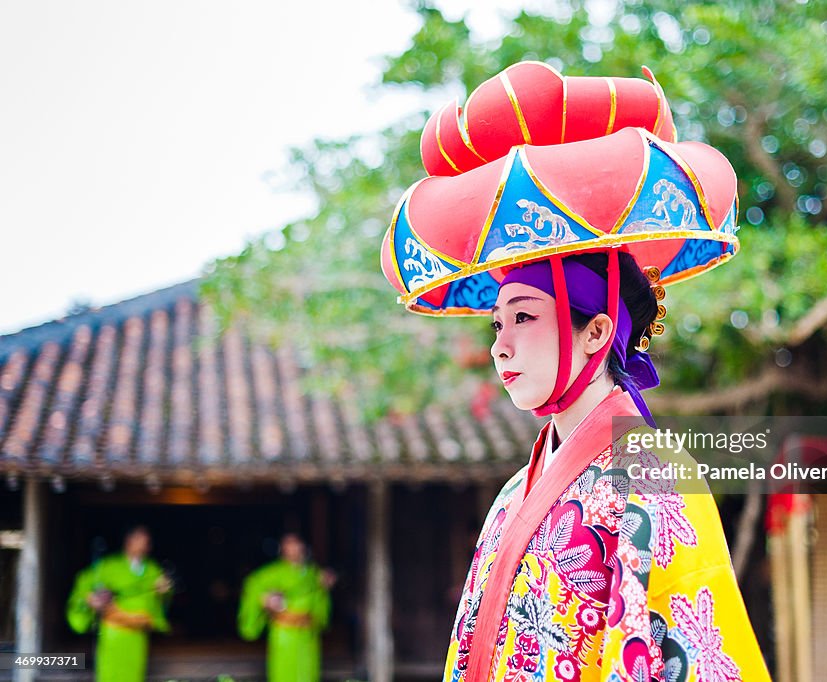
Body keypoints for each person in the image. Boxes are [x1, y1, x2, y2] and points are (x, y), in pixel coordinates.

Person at [381, 61, 772, 680]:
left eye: (526, 318)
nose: (500, 347)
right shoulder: (514, 494)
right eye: (497, 324)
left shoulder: (652, 478)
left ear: (597, 331)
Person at [66, 525, 172, 682]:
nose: (146, 545)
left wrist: (164, 591)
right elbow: (85, 586)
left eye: (147, 541)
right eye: (141, 539)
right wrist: (91, 600)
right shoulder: (108, 566)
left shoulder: (152, 569)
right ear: (129, 541)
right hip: (113, 631)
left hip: (138, 632)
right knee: (110, 673)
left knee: (134, 674)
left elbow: (163, 599)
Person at [237, 532, 335, 682]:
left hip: (307, 634)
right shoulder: (271, 573)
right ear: (282, 549)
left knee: (307, 672)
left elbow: (320, 603)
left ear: (304, 547)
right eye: (288, 545)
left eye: (296, 544)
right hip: (284, 633)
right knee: (283, 673)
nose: (293, 549)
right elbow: (253, 587)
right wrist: (265, 599)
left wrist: (324, 587)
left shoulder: (313, 574)